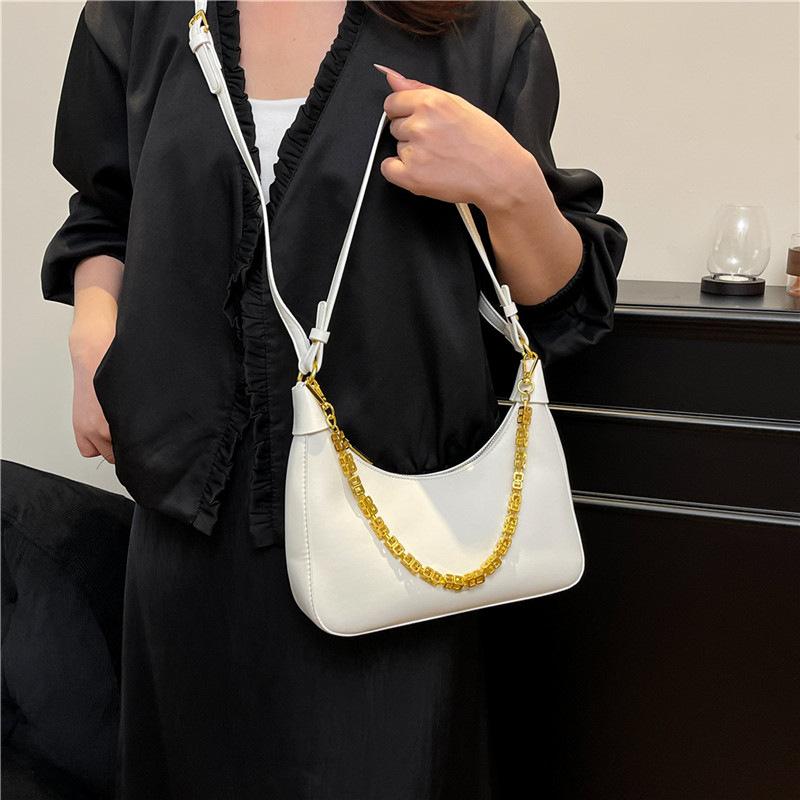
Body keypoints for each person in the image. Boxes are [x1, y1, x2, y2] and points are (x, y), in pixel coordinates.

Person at [42, 1, 628, 797]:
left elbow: (563, 305)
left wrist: (513, 190)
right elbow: (107, 208)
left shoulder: (480, 29)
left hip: (397, 543)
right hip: (190, 529)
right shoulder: (139, 16)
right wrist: (92, 336)